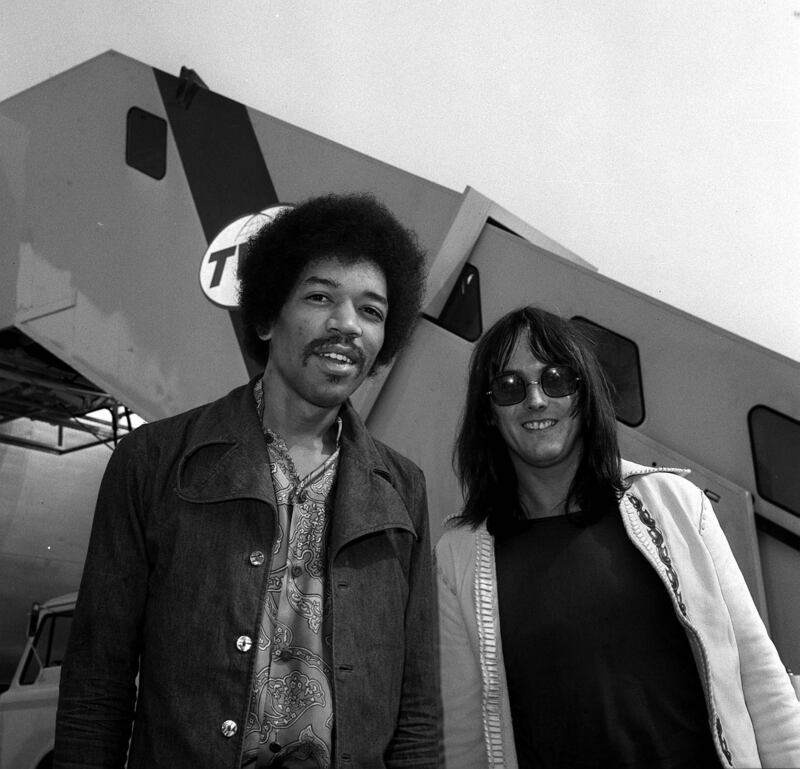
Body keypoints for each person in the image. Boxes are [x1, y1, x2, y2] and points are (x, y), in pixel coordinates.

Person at [55, 193, 440, 768]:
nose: (346, 326)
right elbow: (96, 688)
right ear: (264, 316)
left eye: (372, 311)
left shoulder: (402, 488)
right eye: (320, 297)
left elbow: (417, 716)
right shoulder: (154, 463)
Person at [436, 305, 800, 769]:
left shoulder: (676, 504)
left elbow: (759, 677)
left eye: (556, 380)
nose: (536, 400)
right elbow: (466, 737)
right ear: (488, 413)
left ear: (584, 396)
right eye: (510, 387)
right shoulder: (458, 554)